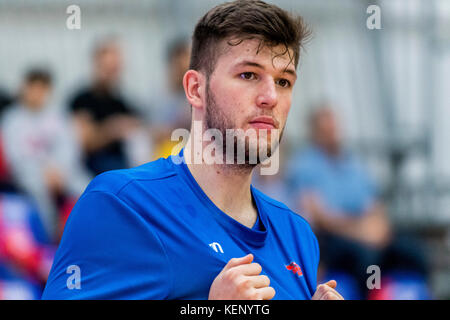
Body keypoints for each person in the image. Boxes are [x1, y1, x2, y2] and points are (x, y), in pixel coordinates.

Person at [42, 0, 343, 300]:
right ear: (195, 89)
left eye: (283, 81)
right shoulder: (122, 204)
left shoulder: (297, 234)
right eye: (249, 75)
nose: (270, 96)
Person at [287, 106, 428, 299]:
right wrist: (359, 233)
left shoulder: (354, 164)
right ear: (315, 133)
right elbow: (320, 216)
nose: (332, 134)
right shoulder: (305, 165)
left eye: (334, 128)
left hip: (365, 233)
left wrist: (377, 231)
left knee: (412, 252)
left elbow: (375, 207)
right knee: (365, 259)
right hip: (332, 237)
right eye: (326, 130)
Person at [1, 69, 91, 239]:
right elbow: (15, 157)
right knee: (39, 193)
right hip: (29, 173)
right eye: (33, 88)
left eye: (41, 89)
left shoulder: (58, 115)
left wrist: (58, 170)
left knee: (87, 187)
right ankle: (50, 236)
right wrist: (43, 172)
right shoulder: (11, 119)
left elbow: (70, 148)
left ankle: (91, 232)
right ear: (24, 89)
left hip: (61, 170)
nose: (37, 94)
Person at [68, 38, 141, 176]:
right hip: (94, 167)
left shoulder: (122, 102)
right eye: (108, 68)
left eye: (115, 68)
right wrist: (111, 130)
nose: (112, 73)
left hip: (123, 163)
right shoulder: (82, 100)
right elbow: (84, 143)